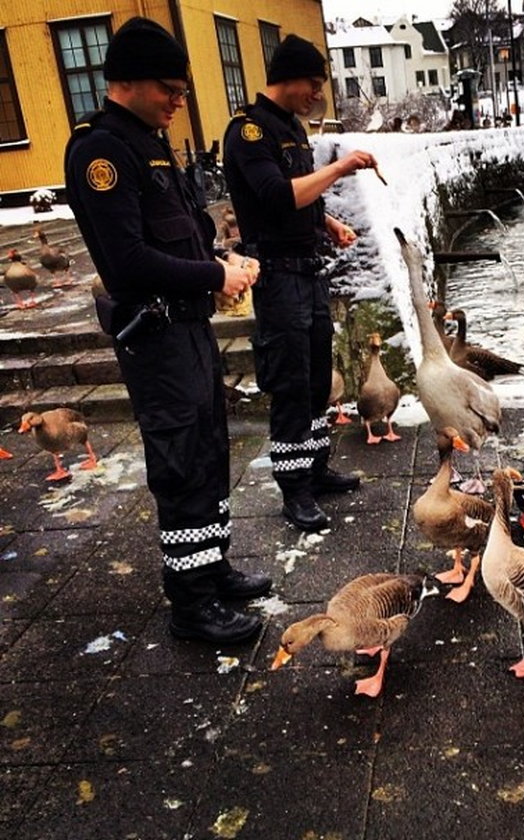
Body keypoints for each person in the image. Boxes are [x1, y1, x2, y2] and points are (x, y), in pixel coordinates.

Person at [64, 17, 272, 645]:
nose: (180, 100)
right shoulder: (102, 151)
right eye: (169, 89)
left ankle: (212, 569)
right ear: (125, 82)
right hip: (154, 337)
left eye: (182, 89)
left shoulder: (152, 141)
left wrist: (222, 257)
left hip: (188, 330)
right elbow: (127, 261)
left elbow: (187, 229)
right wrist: (212, 273)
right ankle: (192, 604)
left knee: (210, 453)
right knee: (180, 464)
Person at [223, 34, 378, 532]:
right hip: (278, 277)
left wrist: (328, 222)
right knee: (290, 383)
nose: (318, 95)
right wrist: (340, 167)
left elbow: (302, 194)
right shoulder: (247, 133)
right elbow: (275, 194)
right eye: (313, 85)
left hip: (307, 271)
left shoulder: (290, 126)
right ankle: (294, 491)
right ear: (288, 78)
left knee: (315, 380)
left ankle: (314, 468)